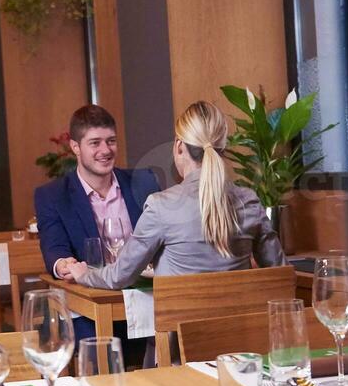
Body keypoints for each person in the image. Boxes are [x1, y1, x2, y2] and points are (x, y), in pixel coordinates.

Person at [55, 100, 285, 291]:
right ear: (223, 147)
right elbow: (279, 274)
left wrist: (85, 274)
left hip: (179, 343)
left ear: (178, 146)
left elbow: (118, 277)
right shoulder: (250, 201)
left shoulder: (161, 206)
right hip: (241, 338)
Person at [34, 104, 159, 343]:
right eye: (95, 143)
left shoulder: (144, 182)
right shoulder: (52, 195)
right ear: (75, 147)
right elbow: (54, 249)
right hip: (90, 302)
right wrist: (63, 264)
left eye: (111, 141)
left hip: (147, 295)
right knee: (94, 341)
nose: (105, 150)